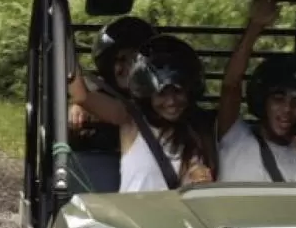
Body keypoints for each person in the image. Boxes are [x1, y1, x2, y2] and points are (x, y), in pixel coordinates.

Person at [68, 33, 217, 191]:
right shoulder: (131, 119)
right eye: (162, 94)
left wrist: (199, 180)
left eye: (178, 92)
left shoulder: (198, 132)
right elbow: (82, 96)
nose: (171, 101)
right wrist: (63, 36)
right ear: (148, 93)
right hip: (134, 215)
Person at [215, 0, 296, 183]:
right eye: (278, 99)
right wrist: (255, 26)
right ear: (263, 99)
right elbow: (231, 84)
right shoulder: (235, 136)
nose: (287, 109)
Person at [68, 16, 155, 151]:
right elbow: (83, 97)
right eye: (121, 59)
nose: (129, 67)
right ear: (108, 64)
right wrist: (79, 108)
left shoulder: (159, 99)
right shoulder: (95, 90)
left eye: (136, 60)